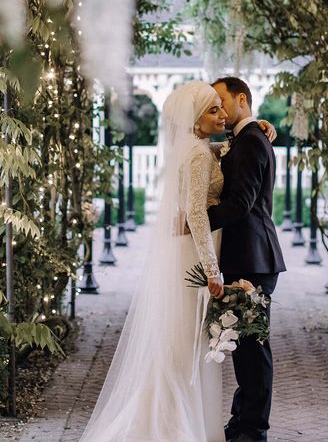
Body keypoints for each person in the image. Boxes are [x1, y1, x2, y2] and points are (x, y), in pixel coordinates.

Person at [80, 80, 275, 442]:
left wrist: (260, 126)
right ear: (195, 117)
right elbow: (199, 214)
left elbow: (219, 179)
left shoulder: (196, 146)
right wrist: (211, 268)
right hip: (204, 257)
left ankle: (235, 425)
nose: (220, 113)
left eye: (222, 105)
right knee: (192, 346)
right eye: (212, 109)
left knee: (207, 345)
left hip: (232, 253)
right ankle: (177, 424)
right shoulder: (200, 152)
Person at [207, 76, 287, 442]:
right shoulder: (247, 137)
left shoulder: (253, 140)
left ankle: (254, 430)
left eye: (222, 102)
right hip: (245, 257)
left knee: (253, 348)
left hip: (254, 259)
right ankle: (241, 421)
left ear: (242, 99)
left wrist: (196, 222)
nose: (220, 110)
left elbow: (241, 204)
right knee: (241, 343)